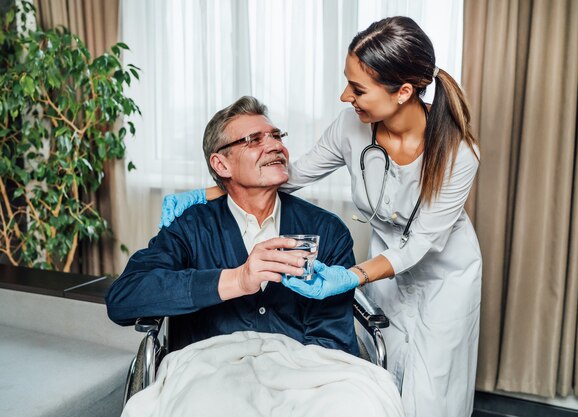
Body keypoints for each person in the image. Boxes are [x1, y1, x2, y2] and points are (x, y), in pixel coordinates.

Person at [159, 16, 481, 417]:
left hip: (442, 270)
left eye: (358, 88)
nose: (346, 96)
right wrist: (209, 191)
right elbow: (289, 175)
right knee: (387, 377)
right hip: (384, 262)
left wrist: (353, 275)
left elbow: (421, 244)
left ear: (402, 91)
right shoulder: (352, 126)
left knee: (435, 390)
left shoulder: (458, 152)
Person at [106, 96, 359, 356]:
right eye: (254, 139)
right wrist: (237, 280)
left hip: (301, 378)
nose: (275, 146)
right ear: (221, 164)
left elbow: (332, 340)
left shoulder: (327, 230)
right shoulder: (190, 227)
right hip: (211, 377)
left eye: (276, 136)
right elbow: (123, 299)